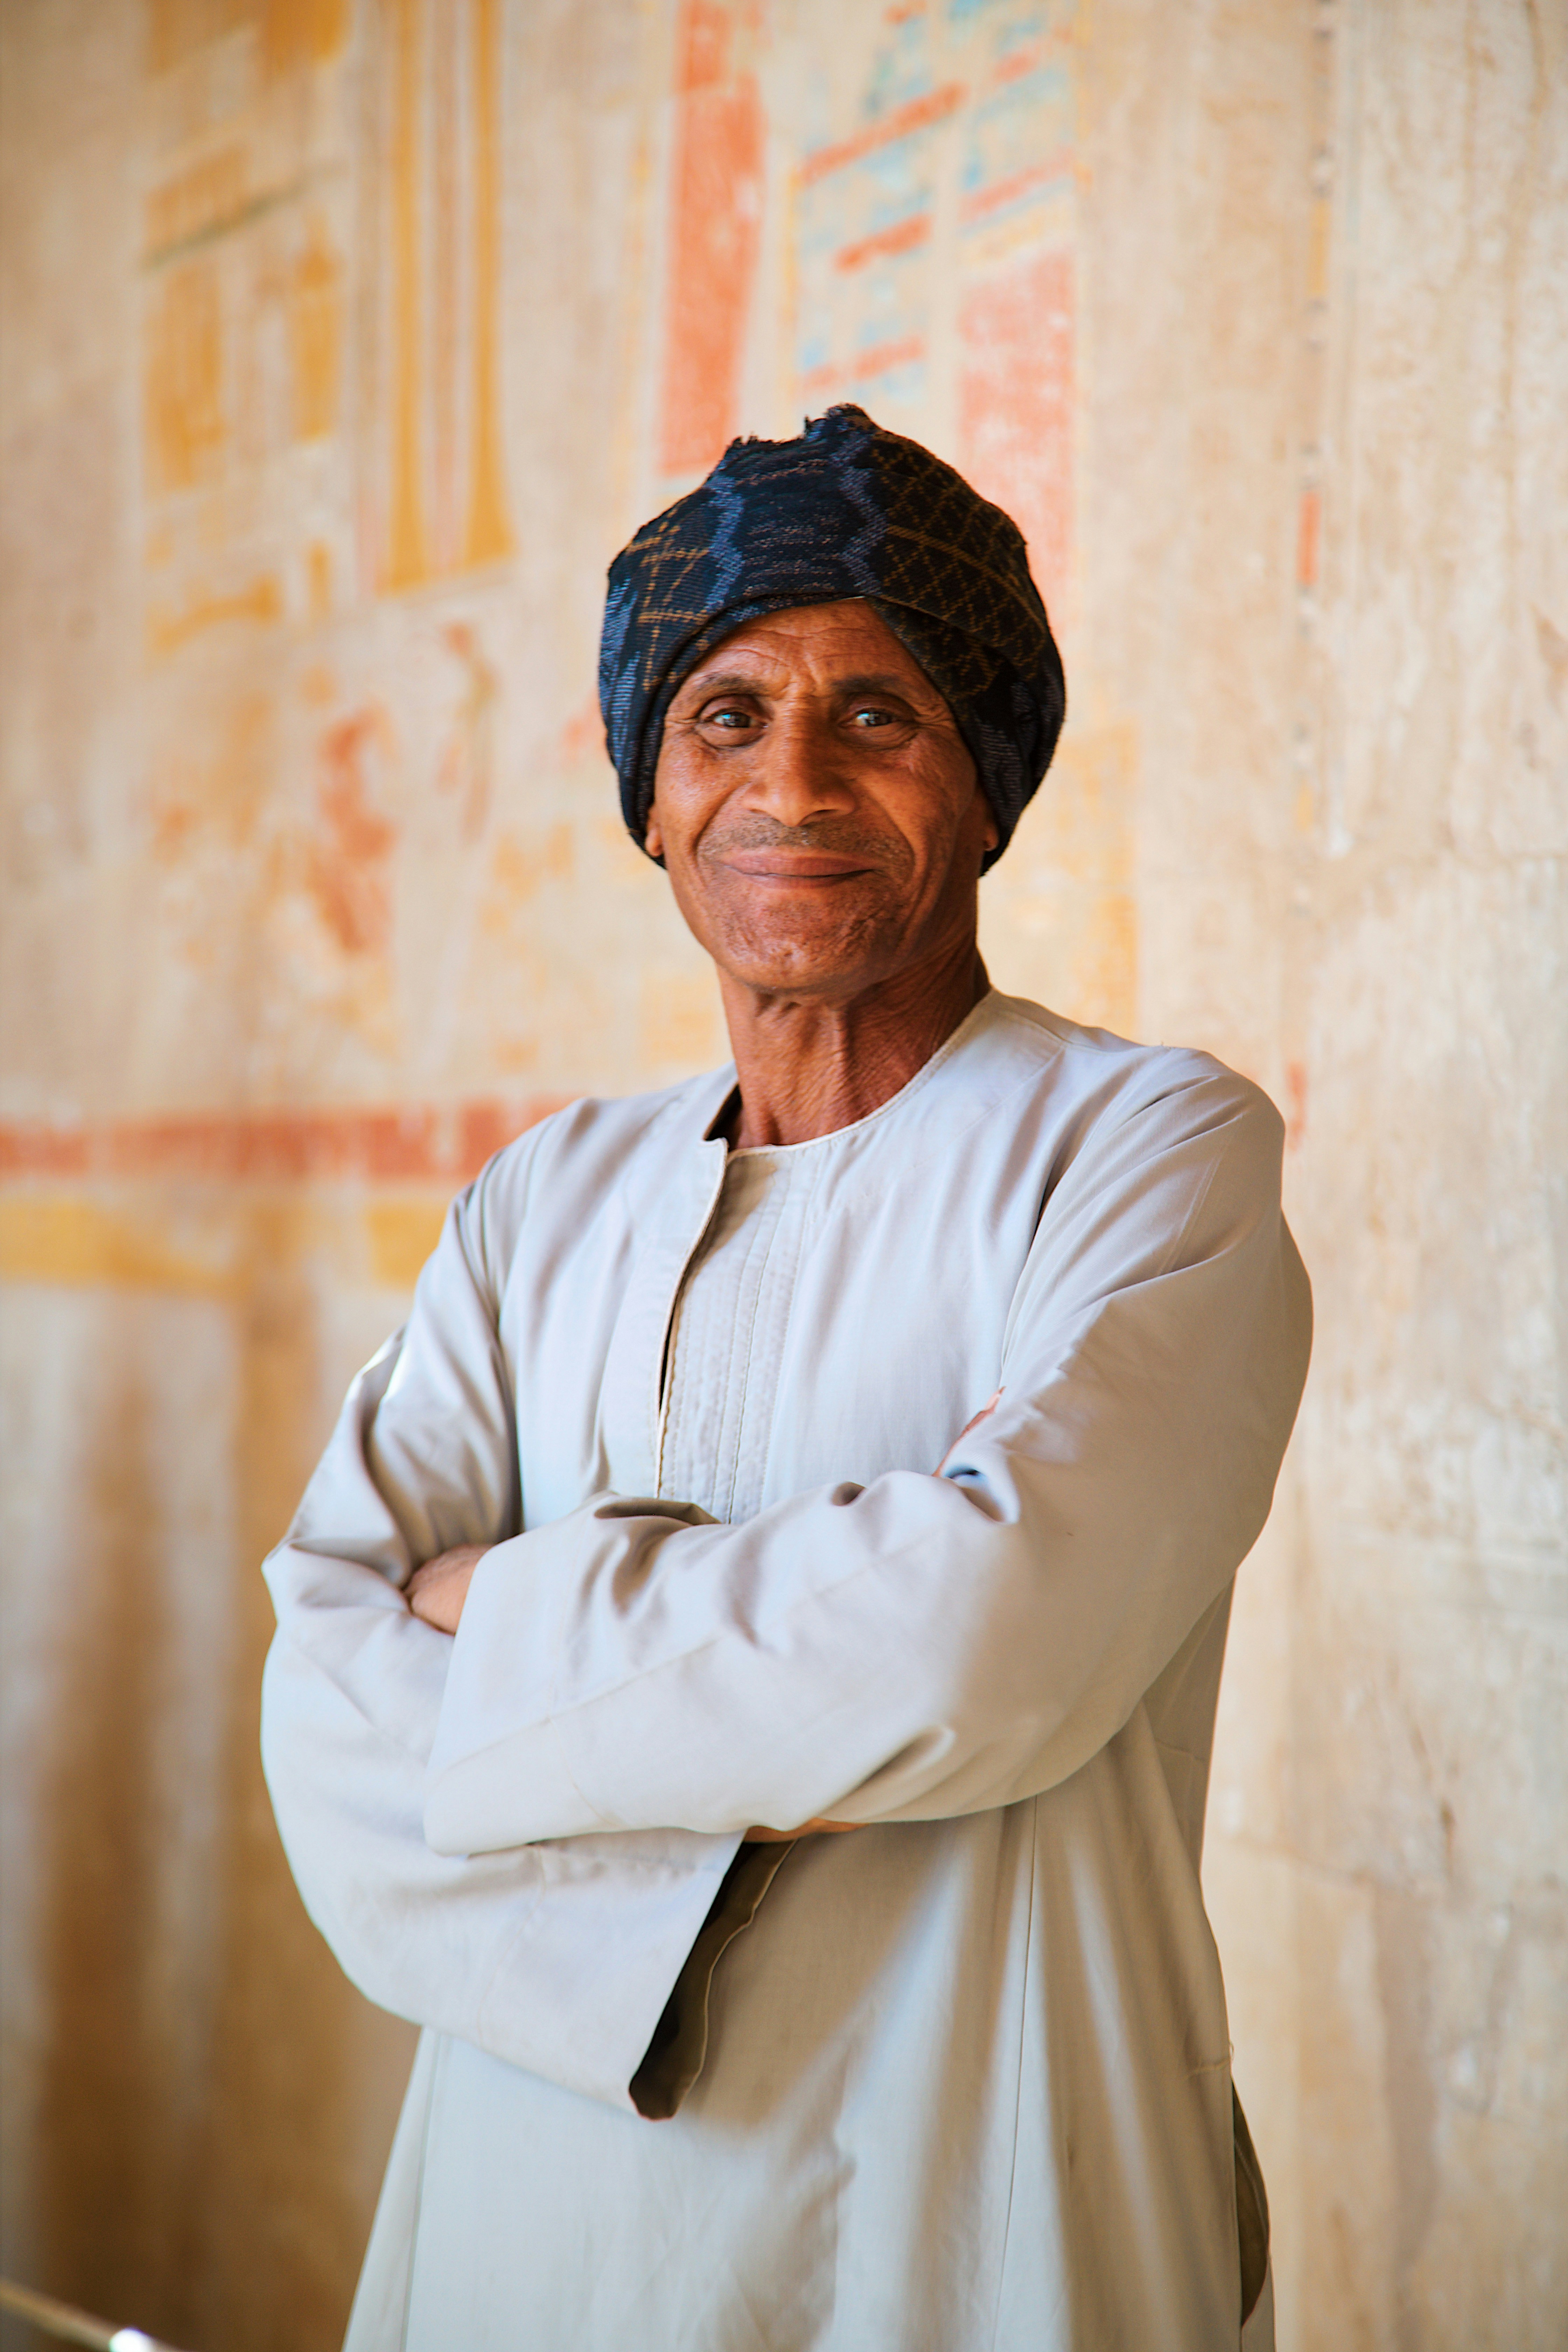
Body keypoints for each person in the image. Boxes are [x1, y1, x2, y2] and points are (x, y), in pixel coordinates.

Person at [261, 404, 1310, 2350]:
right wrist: (801, 1690)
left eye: (882, 715)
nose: (792, 781)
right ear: (650, 798)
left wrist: (494, 1612)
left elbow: (978, 1640)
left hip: (977, 2200)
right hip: (532, 2216)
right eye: (726, 717)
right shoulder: (540, 1204)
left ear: (990, 785)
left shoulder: (1151, 1151)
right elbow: (321, 1700)